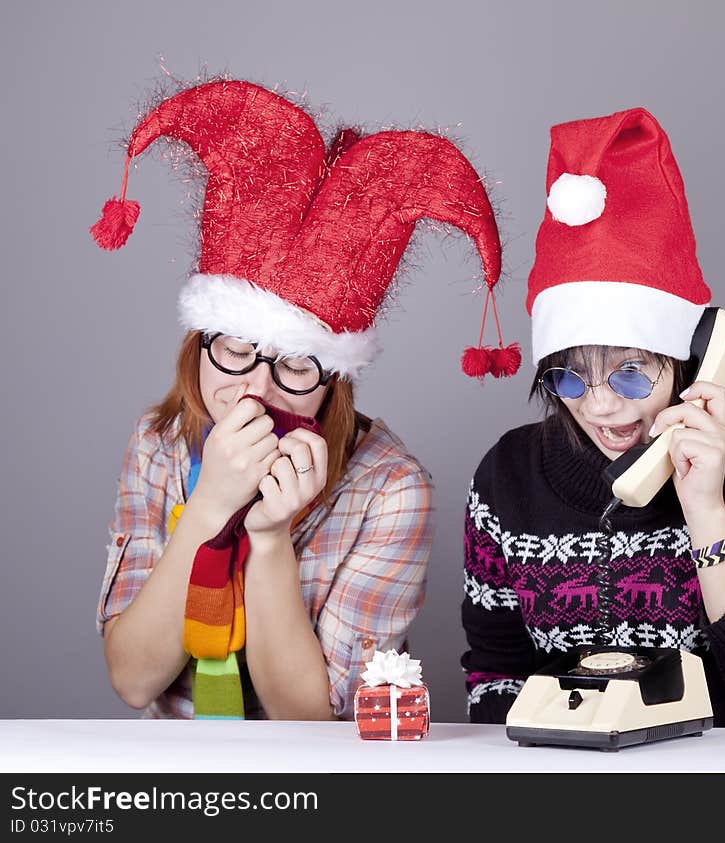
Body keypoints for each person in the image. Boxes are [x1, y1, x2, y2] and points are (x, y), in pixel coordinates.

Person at [92, 78, 518, 720]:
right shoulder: (159, 445)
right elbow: (132, 680)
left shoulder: (392, 489)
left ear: (334, 379)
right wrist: (209, 507)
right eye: (234, 350)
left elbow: (310, 723)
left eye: (295, 365)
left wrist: (267, 541)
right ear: (198, 344)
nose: (255, 390)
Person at [461, 107, 725, 728]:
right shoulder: (507, 477)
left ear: (694, 360)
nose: (598, 405)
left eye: (629, 372)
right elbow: (495, 676)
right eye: (567, 376)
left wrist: (706, 511)